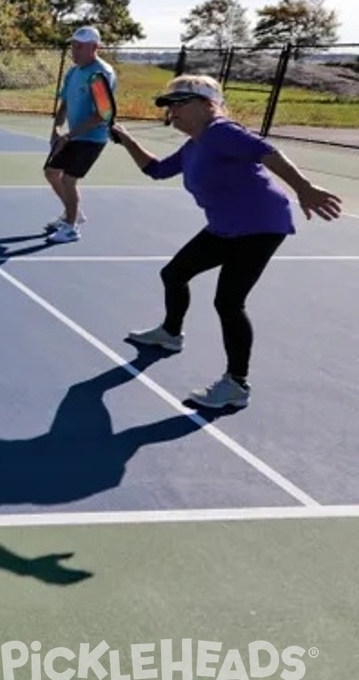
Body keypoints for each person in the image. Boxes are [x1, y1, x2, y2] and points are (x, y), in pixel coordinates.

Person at [113, 75, 343, 409]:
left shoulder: (222, 131)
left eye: (180, 103)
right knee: (174, 274)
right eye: (169, 105)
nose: (172, 111)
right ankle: (170, 334)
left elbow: (267, 151)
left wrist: (304, 188)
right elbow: (157, 170)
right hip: (225, 228)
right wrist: (126, 139)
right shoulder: (194, 145)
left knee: (228, 302)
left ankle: (236, 384)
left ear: (208, 105)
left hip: (260, 226)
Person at [43, 26, 116, 244]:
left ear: (95, 47)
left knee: (68, 179)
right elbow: (64, 103)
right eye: (73, 46)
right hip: (74, 136)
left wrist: (69, 135)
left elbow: (102, 115)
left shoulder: (100, 74)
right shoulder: (73, 72)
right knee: (51, 172)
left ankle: (71, 227)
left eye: (80, 47)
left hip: (93, 138)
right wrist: (56, 129)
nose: (74, 51)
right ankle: (72, 212)